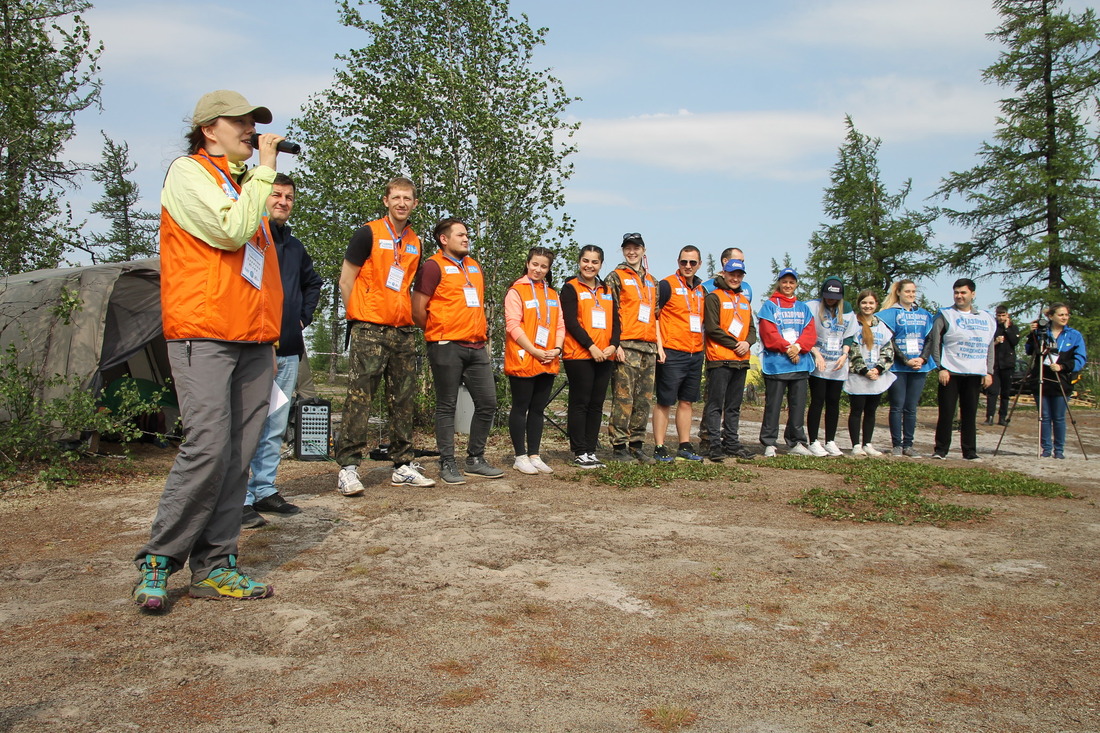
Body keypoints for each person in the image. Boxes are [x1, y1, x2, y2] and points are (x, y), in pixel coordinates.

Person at [133, 90, 286, 611]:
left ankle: (216, 566)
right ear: (207, 129)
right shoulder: (188, 173)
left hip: (252, 338)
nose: (250, 129)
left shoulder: (240, 182)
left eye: (254, 122)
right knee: (207, 447)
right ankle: (159, 559)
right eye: (239, 121)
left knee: (238, 457)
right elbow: (228, 232)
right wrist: (264, 170)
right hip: (204, 332)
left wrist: (270, 337)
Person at [336, 176, 434, 495]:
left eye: (408, 198)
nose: (402, 203)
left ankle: (402, 465)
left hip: (402, 330)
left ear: (415, 204)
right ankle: (349, 467)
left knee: (403, 399)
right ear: (386, 201)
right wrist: (357, 318)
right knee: (359, 398)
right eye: (396, 198)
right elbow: (346, 280)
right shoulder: (368, 233)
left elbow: (407, 286)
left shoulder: (415, 242)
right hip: (369, 327)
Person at [242, 173, 322, 528]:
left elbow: (313, 283)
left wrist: (300, 321)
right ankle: (240, 498)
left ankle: (264, 489)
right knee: (249, 424)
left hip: (288, 348)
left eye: (289, 197)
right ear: (263, 197)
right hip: (253, 348)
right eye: (276, 195)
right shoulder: (249, 238)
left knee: (275, 424)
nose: (283, 202)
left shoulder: (294, 246)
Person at [413, 218, 503, 483]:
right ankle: (447, 463)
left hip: (476, 346)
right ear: (444, 239)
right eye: (460, 235)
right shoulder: (432, 266)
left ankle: (475, 459)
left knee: (487, 403)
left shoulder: (474, 266)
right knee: (447, 406)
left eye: (466, 235)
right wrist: (438, 332)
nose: (466, 239)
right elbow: (418, 309)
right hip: (446, 345)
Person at [504, 247, 565, 474]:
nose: (538, 269)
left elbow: (559, 325)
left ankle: (535, 454)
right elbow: (513, 325)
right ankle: (520, 456)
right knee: (521, 407)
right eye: (535, 264)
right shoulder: (516, 291)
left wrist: (557, 348)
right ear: (528, 263)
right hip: (524, 357)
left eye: (544, 266)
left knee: (538, 408)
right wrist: (534, 350)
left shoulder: (552, 294)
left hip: (547, 358)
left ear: (548, 269)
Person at [561, 245, 620, 468]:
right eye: (586, 261)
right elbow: (571, 322)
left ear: (601, 265)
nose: (590, 266)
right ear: (579, 262)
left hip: (605, 355)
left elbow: (616, 322)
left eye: (595, 262)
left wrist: (613, 345)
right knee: (580, 402)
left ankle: (591, 450)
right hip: (579, 354)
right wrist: (591, 346)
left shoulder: (606, 290)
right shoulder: (570, 288)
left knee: (596, 404)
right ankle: (579, 451)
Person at [605, 233, 661, 464]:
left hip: (648, 347)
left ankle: (637, 444)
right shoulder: (615, 277)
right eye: (628, 248)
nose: (632, 252)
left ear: (644, 250)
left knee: (644, 399)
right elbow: (610, 313)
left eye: (636, 248)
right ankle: (619, 446)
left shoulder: (652, 281)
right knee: (623, 398)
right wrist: (615, 344)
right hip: (626, 346)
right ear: (622, 251)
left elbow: (656, 315)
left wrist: (658, 344)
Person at [929, 278, 997, 461]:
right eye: (956, 292)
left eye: (963, 292)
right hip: (950, 372)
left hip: (974, 372)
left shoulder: (986, 317)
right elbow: (936, 342)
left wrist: (989, 371)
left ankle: (969, 451)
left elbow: (989, 346)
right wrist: (940, 367)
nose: (959, 296)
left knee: (969, 414)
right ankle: (941, 450)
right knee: (947, 412)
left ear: (972, 294)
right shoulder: (945, 314)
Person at [654, 246, 707, 462]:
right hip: (671, 351)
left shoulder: (702, 290)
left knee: (687, 401)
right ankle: (659, 445)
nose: (687, 266)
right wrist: (659, 347)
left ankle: (684, 444)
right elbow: (654, 316)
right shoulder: (667, 285)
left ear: (699, 264)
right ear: (678, 262)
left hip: (695, 352)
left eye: (692, 263)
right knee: (665, 401)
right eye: (684, 262)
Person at [699, 246, 753, 453]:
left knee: (733, 406)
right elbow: (712, 328)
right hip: (720, 359)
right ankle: (713, 445)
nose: (735, 278)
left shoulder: (744, 300)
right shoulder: (714, 297)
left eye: (739, 275)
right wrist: (735, 344)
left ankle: (731, 443)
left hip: (741, 360)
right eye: (732, 274)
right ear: (724, 273)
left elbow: (752, 329)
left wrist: (747, 343)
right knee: (715, 405)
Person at [757, 268, 816, 457]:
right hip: (777, 365)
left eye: (791, 282)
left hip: (799, 364)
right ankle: (769, 442)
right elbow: (768, 333)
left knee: (798, 405)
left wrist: (797, 347)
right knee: (773, 405)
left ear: (796, 284)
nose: (788, 286)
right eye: (785, 282)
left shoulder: (803, 308)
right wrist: (788, 348)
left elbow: (810, 332)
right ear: (779, 283)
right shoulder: (770, 306)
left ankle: (796, 441)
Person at [878, 280, 936, 457]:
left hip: (919, 367)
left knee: (911, 407)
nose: (911, 295)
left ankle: (909, 445)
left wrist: (922, 358)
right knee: (897, 406)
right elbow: (889, 340)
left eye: (913, 292)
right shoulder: (890, 314)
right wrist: (905, 360)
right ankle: (897, 444)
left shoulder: (924, 315)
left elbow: (930, 339)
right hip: (898, 367)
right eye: (907, 292)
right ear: (899, 293)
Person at [1026, 303, 1086, 458]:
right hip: (1041, 378)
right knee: (1044, 416)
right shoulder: (1042, 332)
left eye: (1066, 315)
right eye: (1061, 315)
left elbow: (1080, 359)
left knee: (1059, 417)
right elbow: (1029, 351)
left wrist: (1063, 366)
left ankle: (1059, 450)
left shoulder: (1074, 335)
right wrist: (1032, 334)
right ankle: (1046, 448)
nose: (1064, 318)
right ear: (1050, 317)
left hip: (1062, 380)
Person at [844, 289, 896, 456]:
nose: (867, 306)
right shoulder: (853, 324)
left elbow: (888, 350)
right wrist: (864, 370)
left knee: (871, 411)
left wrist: (878, 369)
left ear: (876, 305)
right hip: (858, 376)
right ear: (859, 304)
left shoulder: (881, 326)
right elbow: (851, 350)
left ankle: (867, 443)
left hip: (876, 376)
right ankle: (856, 444)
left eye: (871, 303)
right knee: (857, 410)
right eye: (864, 302)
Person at [805, 278, 852, 457]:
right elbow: (806, 332)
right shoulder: (813, 307)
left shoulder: (846, 308)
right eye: (828, 296)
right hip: (819, 360)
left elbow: (849, 336)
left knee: (833, 402)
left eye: (835, 297)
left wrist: (845, 354)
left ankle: (830, 441)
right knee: (818, 400)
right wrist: (816, 354)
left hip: (837, 362)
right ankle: (813, 441)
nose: (831, 299)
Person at [985, 305, 1020, 426]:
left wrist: (1007, 329)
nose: (1001, 318)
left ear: (1007, 315)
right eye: (999, 315)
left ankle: (1002, 418)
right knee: (992, 392)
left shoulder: (1013, 328)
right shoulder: (993, 327)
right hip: (995, 365)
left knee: (1005, 393)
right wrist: (995, 342)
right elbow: (987, 346)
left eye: (1003, 315)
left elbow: (1015, 342)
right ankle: (989, 417)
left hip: (1008, 365)